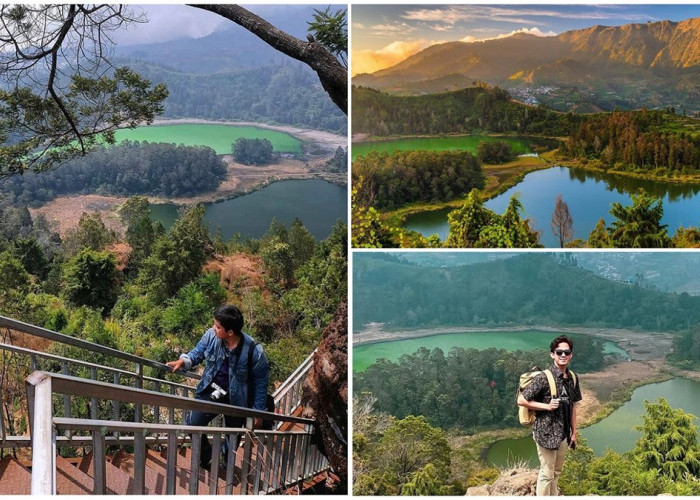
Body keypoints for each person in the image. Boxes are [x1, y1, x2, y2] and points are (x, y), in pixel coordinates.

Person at [166, 304, 270, 468]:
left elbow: (261, 382)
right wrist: (183, 361)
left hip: (236, 398)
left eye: (218, 326)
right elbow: (197, 353)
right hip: (211, 390)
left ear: (230, 332)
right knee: (192, 425)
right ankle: (206, 453)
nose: (213, 328)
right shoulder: (211, 336)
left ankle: (224, 464)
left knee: (233, 434)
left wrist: (258, 411)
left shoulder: (254, 351)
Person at [517, 335, 582, 496]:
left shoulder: (572, 378)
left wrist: (574, 433)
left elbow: (573, 406)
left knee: (557, 472)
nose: (563, 355)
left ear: (571, 355)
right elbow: (521, 400)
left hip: (563, 434)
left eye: (566, 352)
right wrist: (546, 406)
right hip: (545, 433)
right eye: (559, 352)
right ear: (552, 354)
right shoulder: (544, 378)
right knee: (546, 474)